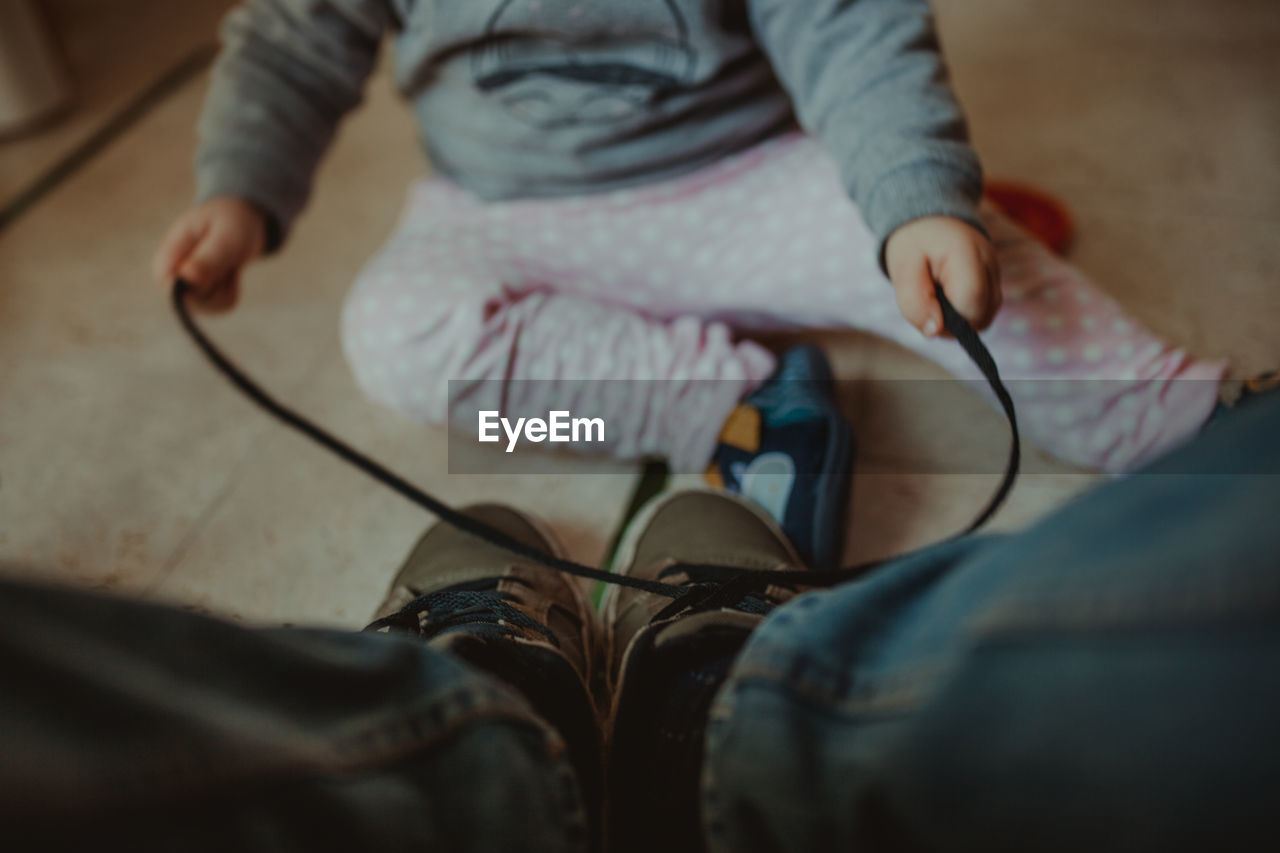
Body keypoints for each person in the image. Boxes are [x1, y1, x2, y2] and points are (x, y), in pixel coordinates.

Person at [153, 0, 1230, 566]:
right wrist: (239, 193)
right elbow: (291, 45)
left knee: (965, 265)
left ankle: (1179, 415)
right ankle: (729, 415)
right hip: (501, 211)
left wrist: (916, 202)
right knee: (406, 363)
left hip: (747, 174)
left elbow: (852, 26)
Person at [4, 392, 1279, 851]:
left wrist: (906, 199)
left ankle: (467, 744)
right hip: (514, 224)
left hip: (726, 182)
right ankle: (729, 716)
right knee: (408, 336)